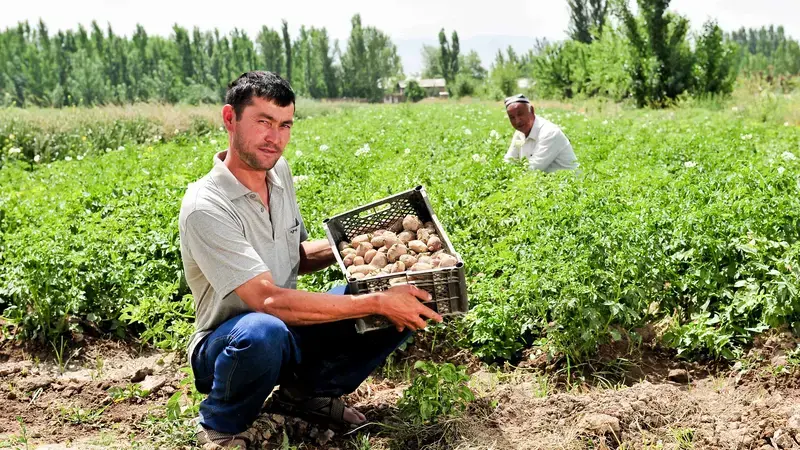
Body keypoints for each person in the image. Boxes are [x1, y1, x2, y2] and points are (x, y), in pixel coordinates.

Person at [178, 71, 442, 449]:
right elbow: (266, 300)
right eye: (263, 122)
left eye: (285, 125)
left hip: (286, 330)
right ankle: (221, 421)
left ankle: (303, 395)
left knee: (399, 295)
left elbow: (295, 256)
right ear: (229, 119)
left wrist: (367, 243)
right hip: (230, 346)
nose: (275, 138)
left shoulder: (278, 173)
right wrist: (375, 301)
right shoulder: (206, 206)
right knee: (263, 330)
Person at [503, 94, 579, 173]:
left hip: (569, 183)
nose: (517, 121)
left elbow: (534, 168)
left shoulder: (549, 132)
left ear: (532, 111)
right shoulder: (519, 133)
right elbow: (509, 160)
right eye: (512, 117)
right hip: (545, 181)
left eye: (520, 114)